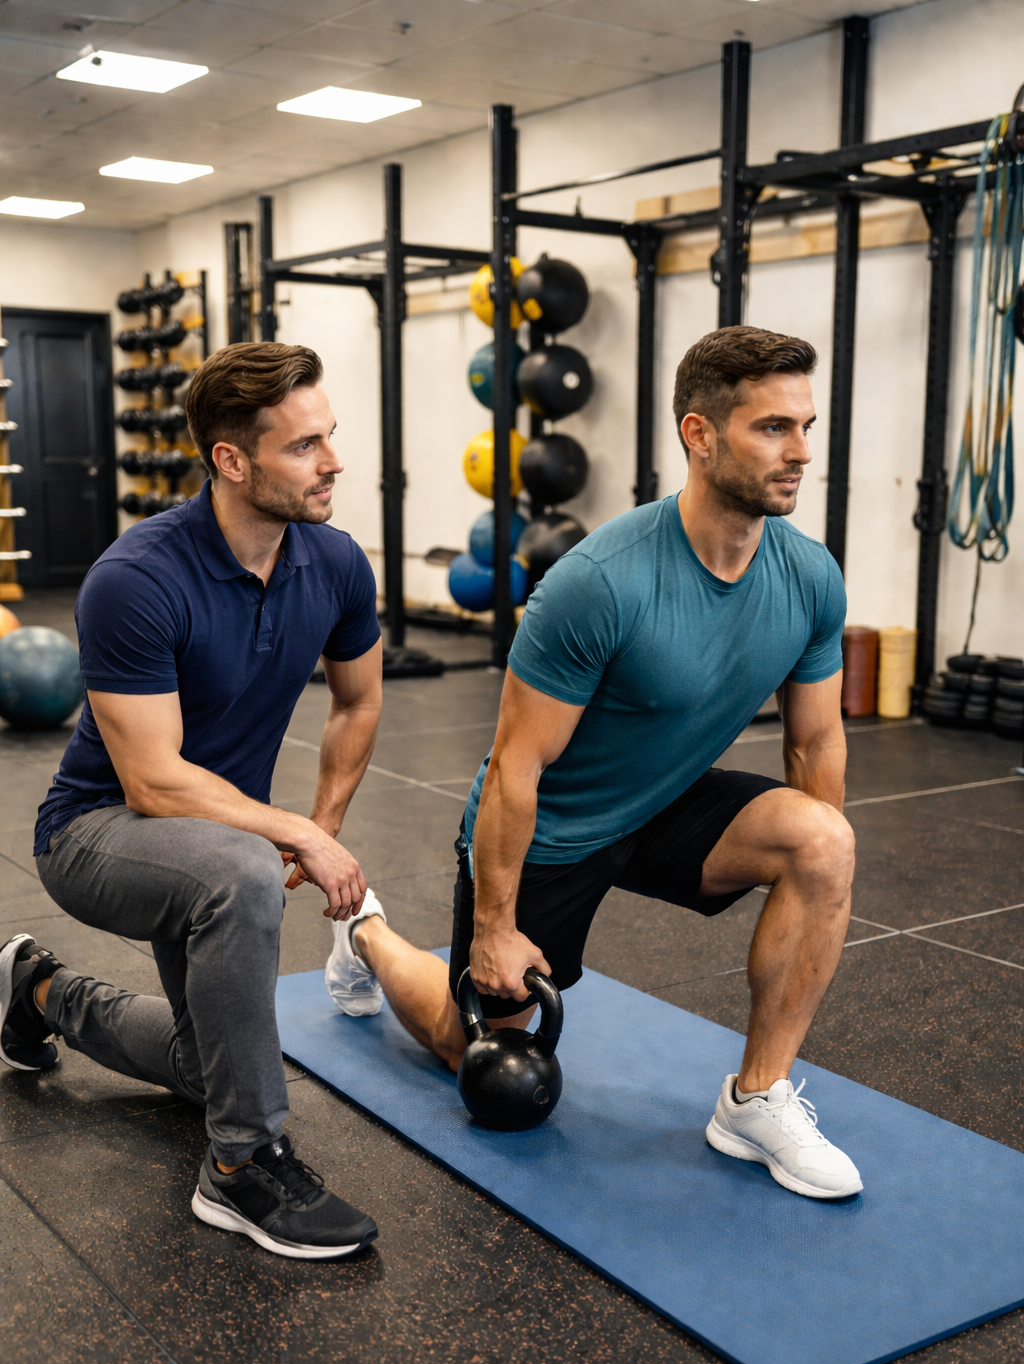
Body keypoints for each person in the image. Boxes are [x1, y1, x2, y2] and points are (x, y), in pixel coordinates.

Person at [325, 325, 862, 1201]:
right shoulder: (601, 582)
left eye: (806, 425)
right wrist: (496, 929)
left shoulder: (810, 578)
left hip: (668, 802)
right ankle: (367, 935)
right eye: (773, 428)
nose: (801, 451)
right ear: (700, 434)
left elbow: (816, 742)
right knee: (477, 1046)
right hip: (554, 829)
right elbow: (513, 771)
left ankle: (755, 1099)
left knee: (822, 842)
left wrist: (817, 890)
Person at [0, 342, 382, 1259]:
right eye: (304, 447)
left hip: (219, 841)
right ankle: (243, 1168)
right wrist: (290, 832)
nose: (333, 462)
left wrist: (321, 825)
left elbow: (360, 699)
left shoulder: (333, 563)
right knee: (244, 871)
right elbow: (150, 780)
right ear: (231, 460)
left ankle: (36, 989)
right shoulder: (138, 577)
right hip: (96, 833)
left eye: (330, 437)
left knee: (201, 1067)